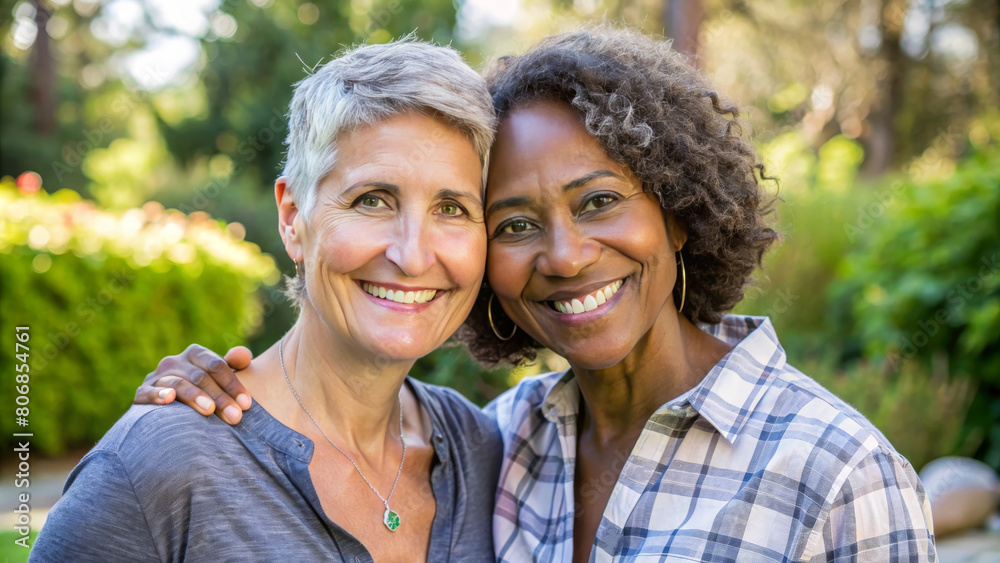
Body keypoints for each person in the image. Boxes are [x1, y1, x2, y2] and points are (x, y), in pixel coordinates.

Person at [134, 28, 936, 562]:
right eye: (513, 222)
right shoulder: (499, 444)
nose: (565, 255)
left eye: (599, 202)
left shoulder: (838, 474)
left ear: (679, 212)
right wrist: (200, 399)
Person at [30, 39, 503, 562]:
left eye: (453, 208)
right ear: (292, 219)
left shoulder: (482, 450)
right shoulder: (157, 469)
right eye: (372, 200)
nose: (413, 256)